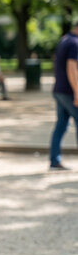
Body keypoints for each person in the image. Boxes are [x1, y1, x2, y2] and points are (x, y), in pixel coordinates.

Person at [49, 21, 78, 170]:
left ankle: (54, 160)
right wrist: (77, 92)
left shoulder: (65, 39)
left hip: (59, 90)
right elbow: (72, 69)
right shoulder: (74, 43)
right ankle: (54, 160)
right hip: (69, 92)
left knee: (61, 126)